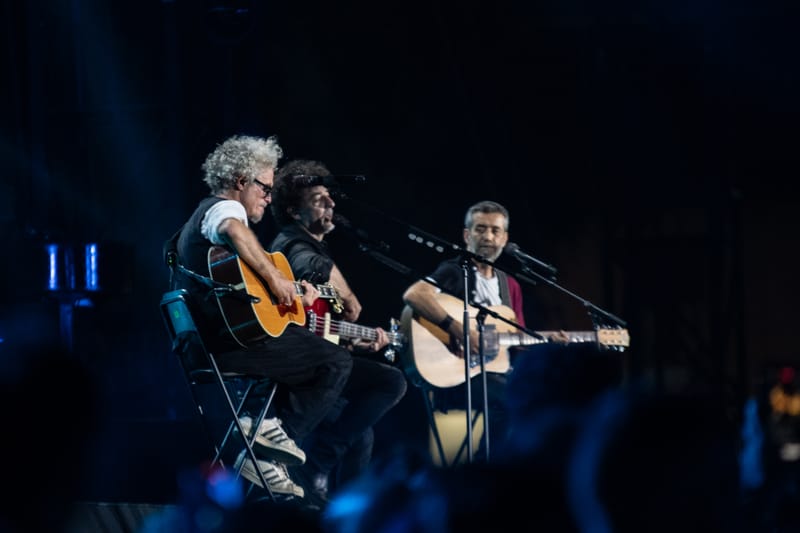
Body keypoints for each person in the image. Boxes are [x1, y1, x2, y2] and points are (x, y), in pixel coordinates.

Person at [168, 134, 354, 500]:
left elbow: (246, 298)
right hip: (229, 346)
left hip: (213, 344)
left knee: (306, 351)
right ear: (241, 181)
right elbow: (232, 227)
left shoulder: (198, 224)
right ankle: (264, 444)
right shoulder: (222, 209)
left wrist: (296, 294)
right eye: (265, 189)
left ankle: (263, 433)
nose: (269, 198)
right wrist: (275, 278)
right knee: (336, 361)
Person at [268, 159, 408, 508]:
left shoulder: (315, 245)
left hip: (318, 360)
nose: (331, 203)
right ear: (294, 211)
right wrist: (346, 294)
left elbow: (316, 323)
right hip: (295, 366)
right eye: (319, 199)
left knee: (360, 433)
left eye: (330, 197)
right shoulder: (292, 243)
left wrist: (352, 340)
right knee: (391, 382)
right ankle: (312, 470)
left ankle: (344, 511)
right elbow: (310, 267)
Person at [402, 200, 564, 462]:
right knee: (511, 400)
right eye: (480, 229)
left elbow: (517, 339)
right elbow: (415, 295)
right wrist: (458, 329)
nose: (488, 237)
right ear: (467, 235)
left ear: (505, 238)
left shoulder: (509, 285)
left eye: (495, 230)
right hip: (454, 376)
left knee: (545, 397)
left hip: (496, 374)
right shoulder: (455, 270)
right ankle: (484, 470)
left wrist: (548, 340)